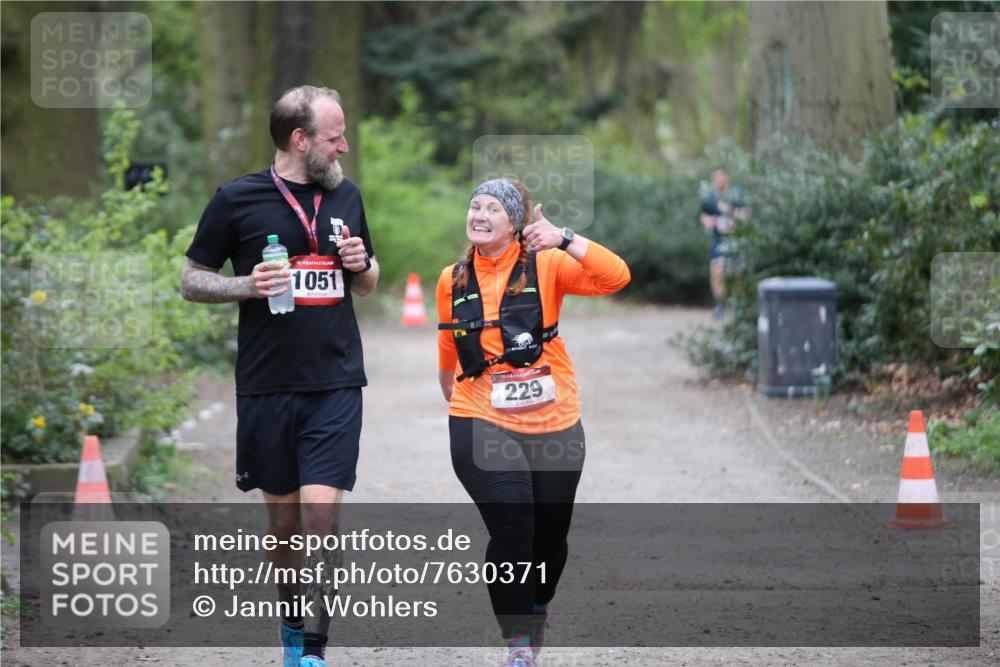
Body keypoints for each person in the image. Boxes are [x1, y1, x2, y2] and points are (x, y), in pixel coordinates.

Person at [180, 85, 378, 667]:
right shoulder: (237, 200)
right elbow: (191, 279)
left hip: (336, 381)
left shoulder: (347, 196)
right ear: (301, 140)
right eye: (335, 136)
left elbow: (367, 283)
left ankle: (314, 649)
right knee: (286, 524)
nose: (345, 146)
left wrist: (361, 266)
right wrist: (246, 285)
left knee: (322, 513)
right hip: (267, 384)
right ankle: (292, 634)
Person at [436, 179, 630, 667]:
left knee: (549, 538)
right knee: (512, 521)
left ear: (515, 224)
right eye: (473, 205)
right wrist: (460, 409)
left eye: (491, 208)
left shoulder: (546, 264)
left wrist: (564, 237)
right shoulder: (453, 279)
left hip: (553, 421)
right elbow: (447, 355)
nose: (478, 213)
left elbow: (616, 277)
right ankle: (517, 646)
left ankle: (536, 607)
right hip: (479, 416)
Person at [698, 168, 749, 319]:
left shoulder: (737, 193)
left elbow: (746, 214)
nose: (718, 180)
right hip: (718, 241)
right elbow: (703, 215)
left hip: (736, 240)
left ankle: (739, 305)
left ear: (727, 177)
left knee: (737, 273)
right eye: (715, 178)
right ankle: (720, 304)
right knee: (717, 272)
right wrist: (710, 222)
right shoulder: (710, 197)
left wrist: (728, 211)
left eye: (721, 177)